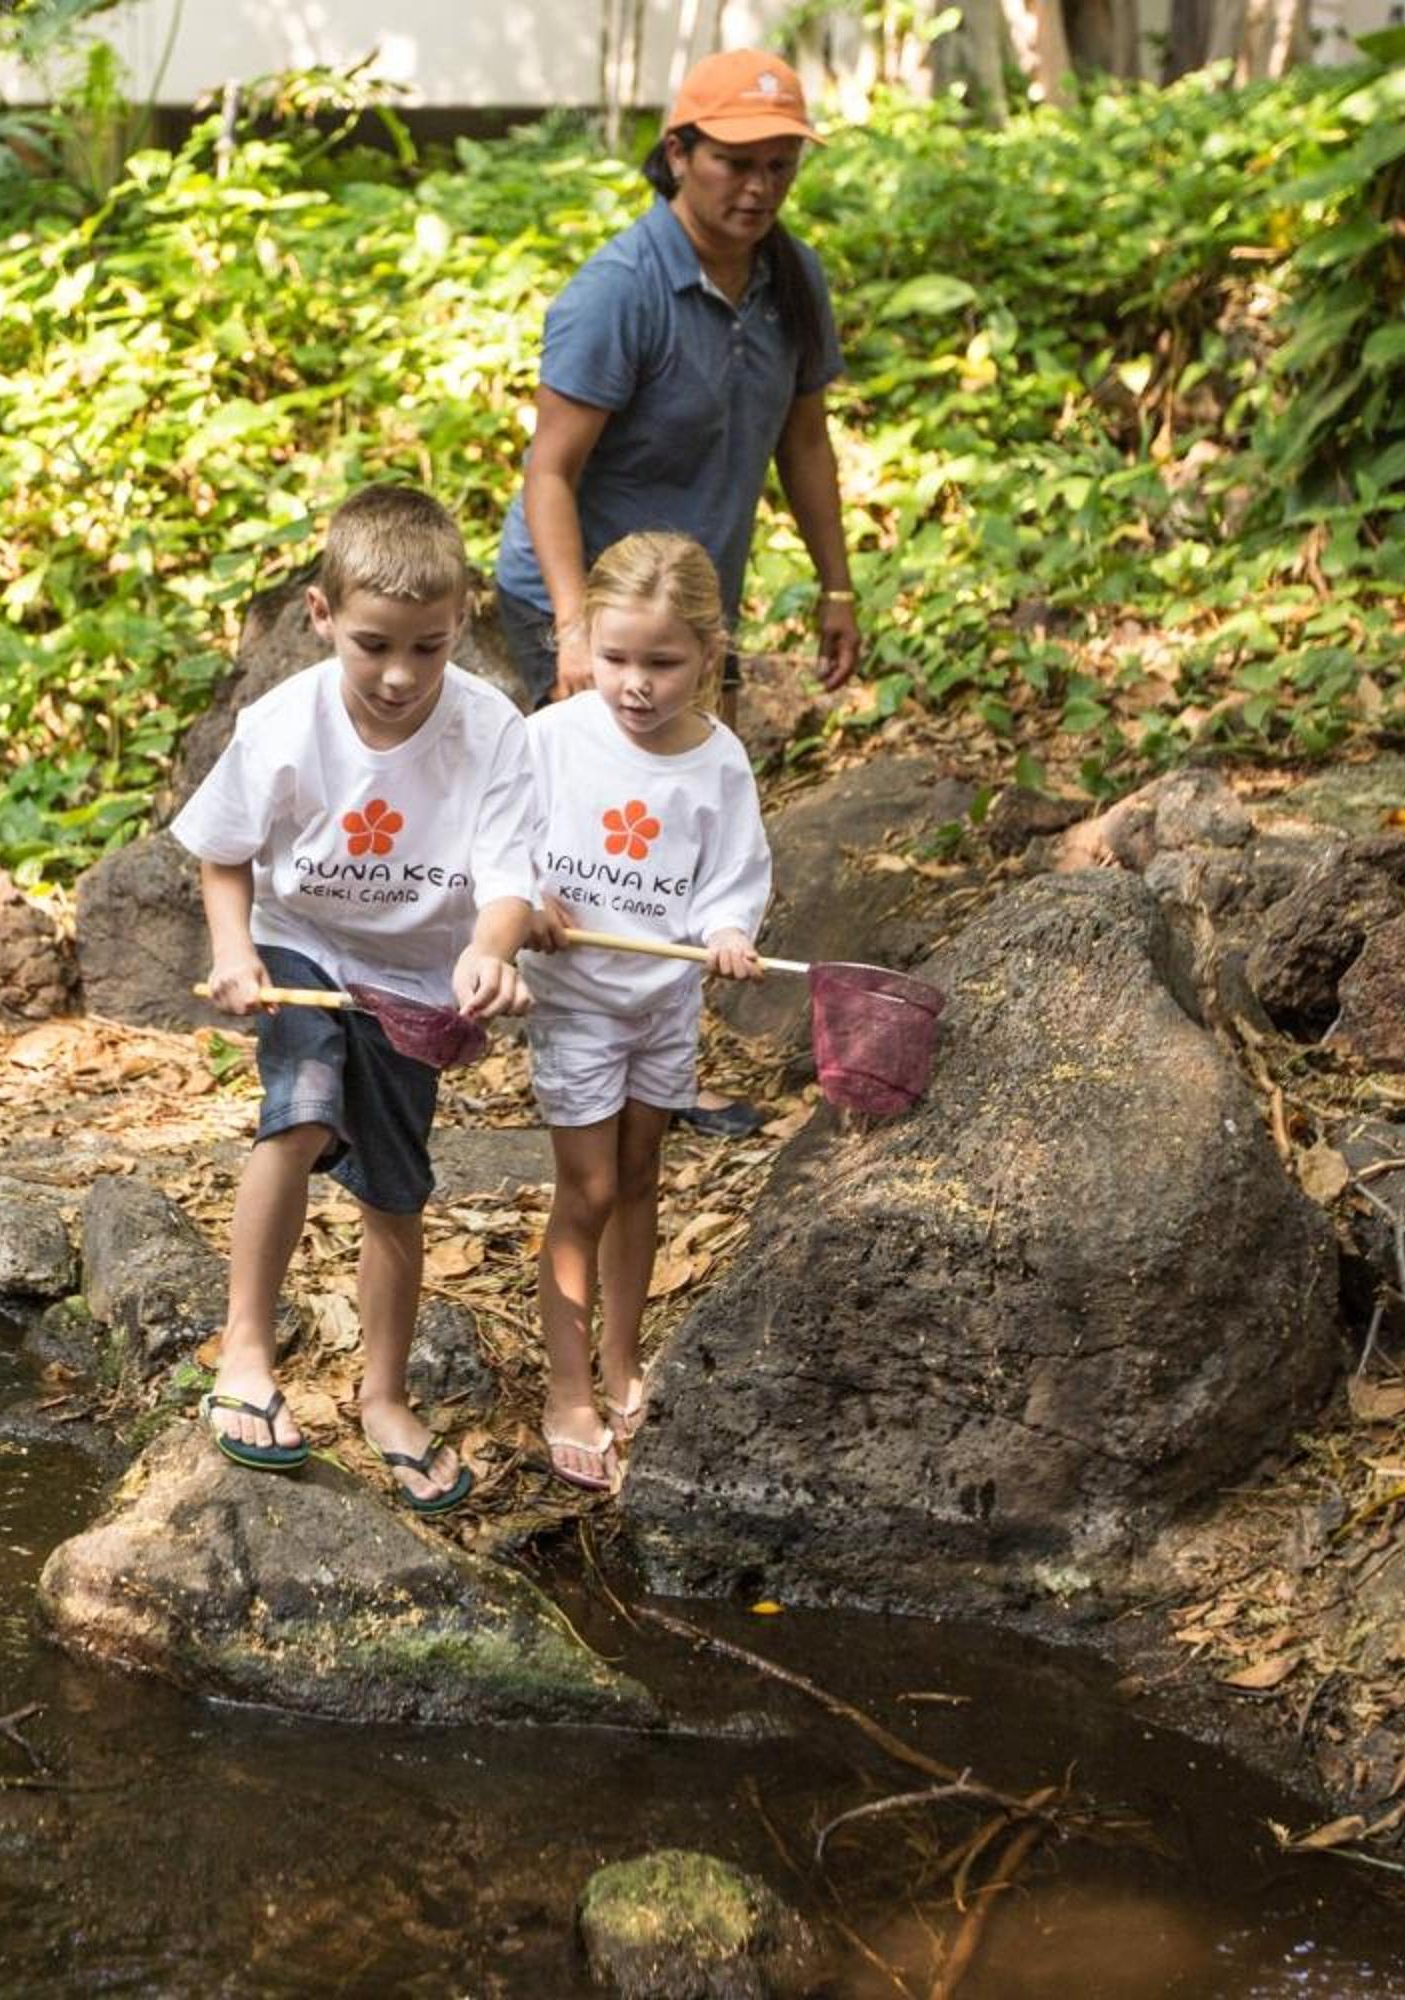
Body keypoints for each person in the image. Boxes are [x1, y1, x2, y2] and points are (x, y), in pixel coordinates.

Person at [495, 45, 859, 1137]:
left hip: (695, 599)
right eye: (733, 162)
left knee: (698, 809)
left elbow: (806, 439)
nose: (755, 188)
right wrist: (571, 632)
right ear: (677, 154)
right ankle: (575, 1051)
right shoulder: (620, 291)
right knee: (605, 828)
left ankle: (661, 1059)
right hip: (591, 599)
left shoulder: (788, 280)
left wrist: (837, 585)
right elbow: (548, 471)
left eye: (779, 166)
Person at [171, 484, 539, 1514]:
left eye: (428, 647)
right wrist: (237, 951)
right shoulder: (283, 722)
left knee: (393, 1189)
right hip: (305, 946)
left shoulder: (492, 730)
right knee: (298, 1113)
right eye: (373, 642)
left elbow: (509, 879)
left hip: (416, 980)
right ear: (321, 615)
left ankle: (383, 1394)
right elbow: (224, 854)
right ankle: (245, 1348)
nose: (398, 674)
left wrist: (493, 952)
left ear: (462, 620)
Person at [520, 534, 771, 1492]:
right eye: (617, 658)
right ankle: (568, 1387)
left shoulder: (718, 762)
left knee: (639, 1179)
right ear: (585, 640)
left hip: (663, 1000)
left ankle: (622, 1361)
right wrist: (529, 908)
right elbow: (505, 847)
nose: (635, 684)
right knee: (584, 1192)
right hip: (578, 1001)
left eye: (663, 663)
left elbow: (731, 878)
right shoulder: (552, 739)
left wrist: (726, 930)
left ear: (709, 653)